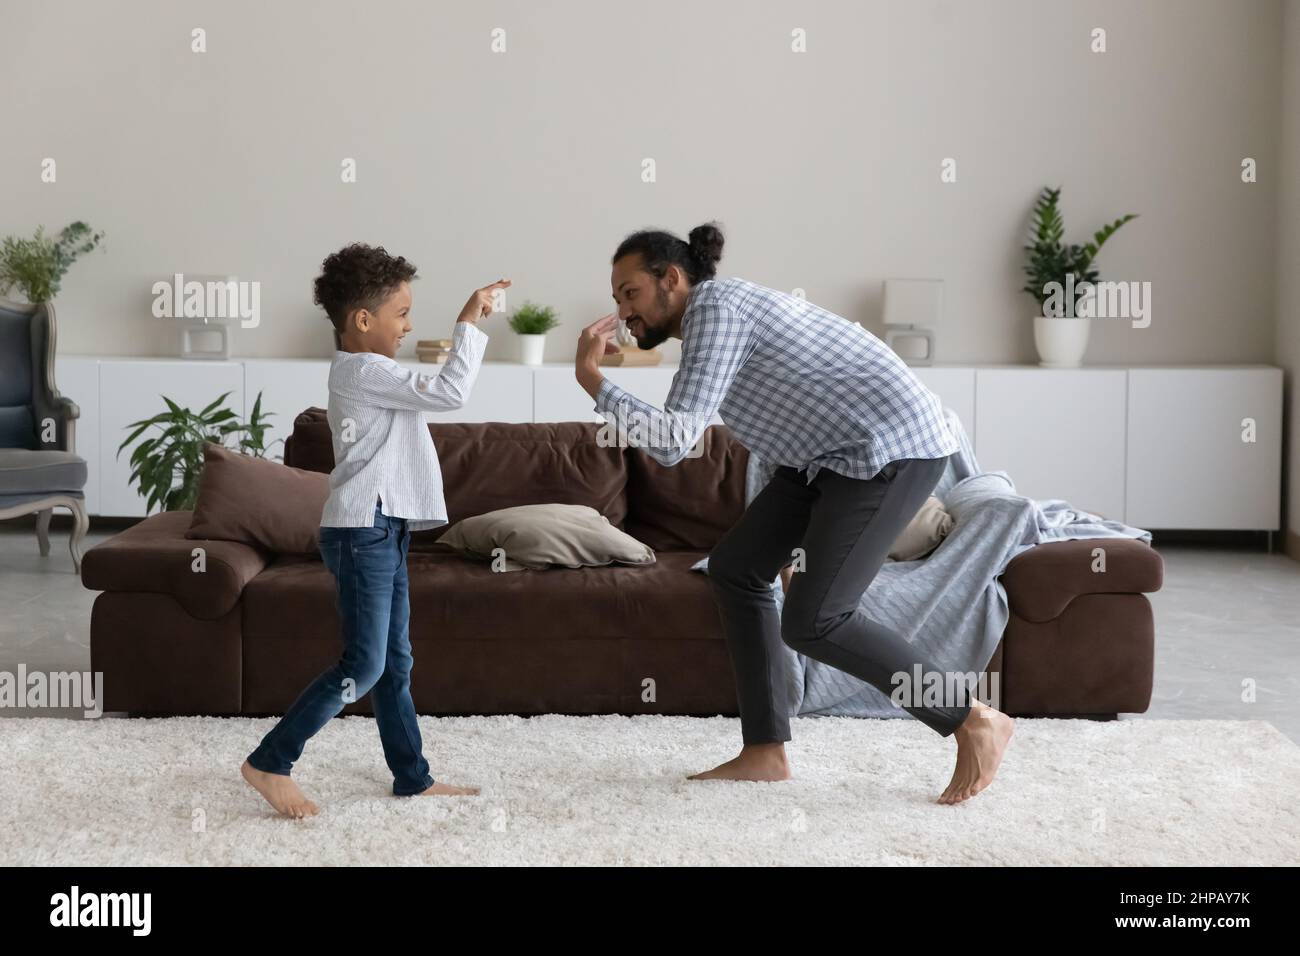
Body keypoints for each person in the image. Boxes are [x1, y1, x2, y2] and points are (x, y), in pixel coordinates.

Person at [574, 223, 1014, 804]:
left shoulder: (716, 311)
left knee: (816, 619)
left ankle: (972, 717)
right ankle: (764, 751)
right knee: (736, 568)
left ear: (672, 280)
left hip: (891, 449)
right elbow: (768, 416)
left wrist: (592, 380)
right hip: (825, 459)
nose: (623, 311)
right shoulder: (712, 318)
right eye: (616, 299)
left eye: (629, 292)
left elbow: (675, 440)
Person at [242, 242, 508, 817]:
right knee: (363, 665)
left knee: (393, 663)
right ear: (363, 321)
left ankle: (412, 777)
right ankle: (271, 760)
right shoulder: (364, 369)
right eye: (403, 314)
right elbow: (450, 392)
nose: (409, 326)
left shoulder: (370, 372)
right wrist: (466, 322)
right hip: (363, 531)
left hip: (383, 528)